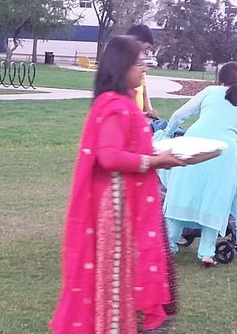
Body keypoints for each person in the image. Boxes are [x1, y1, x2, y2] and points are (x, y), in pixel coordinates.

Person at [50, 35, 186, 334]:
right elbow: (109, 157)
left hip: (130, 202)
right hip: (118, 208)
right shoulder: (114, 105)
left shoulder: (123, 102)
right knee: (116, 276)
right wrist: (153, 161)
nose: (144, 68)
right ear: (121, 66)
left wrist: (158, 158)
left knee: (133, 273)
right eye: (139, 63)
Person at [162, 62, 237, 267]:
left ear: (220, 78)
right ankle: (206, 252)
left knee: (182, 195)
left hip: (193, 147)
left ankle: (168, 245)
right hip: (223, 154)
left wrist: (167, 133)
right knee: (215, 201)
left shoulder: (210, 92)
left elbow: (179, 114)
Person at [126, 24, 159, 123]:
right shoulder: (122, 71)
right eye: (146, 48)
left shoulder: (139, 71)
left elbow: (144, 94)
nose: (145, 69)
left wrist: (149, 112)